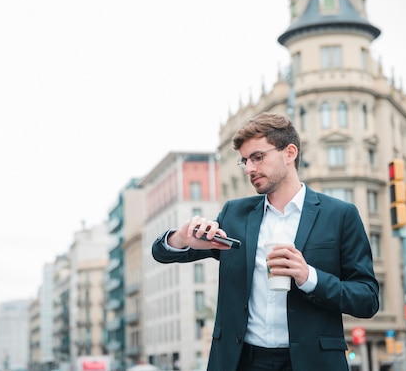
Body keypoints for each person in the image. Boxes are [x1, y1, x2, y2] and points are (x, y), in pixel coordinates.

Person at [152, 112, 379, 371]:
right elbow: (162, 253)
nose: (249, 168)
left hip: (311, 362)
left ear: (289, 153)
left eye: (258, 157)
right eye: (245, 161)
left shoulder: (339, 215)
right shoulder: (234, 214)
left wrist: (309, 277)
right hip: (241, 361)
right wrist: (181, 237)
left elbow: (367, 299)